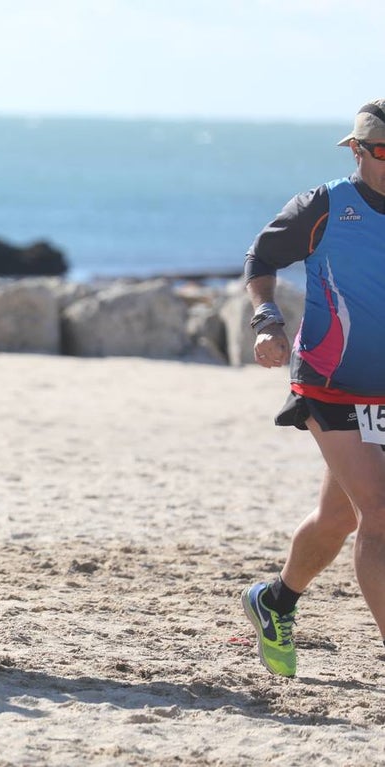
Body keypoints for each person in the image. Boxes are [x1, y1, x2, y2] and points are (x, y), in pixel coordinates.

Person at [241, 99, 385, 677]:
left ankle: (273, 601)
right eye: (383, 151)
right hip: (331, 382)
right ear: (356, 150)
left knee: (339, 517)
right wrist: (267, 320)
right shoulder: (325, 206)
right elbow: (261, 257)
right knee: (378, 514)